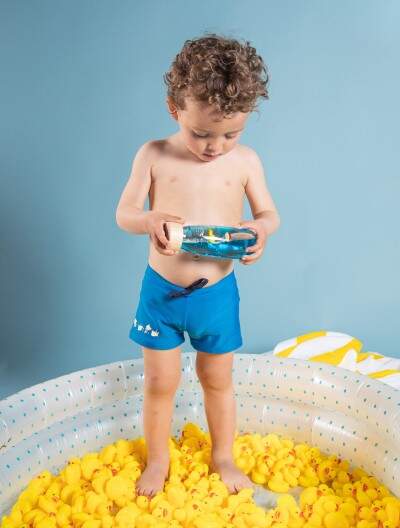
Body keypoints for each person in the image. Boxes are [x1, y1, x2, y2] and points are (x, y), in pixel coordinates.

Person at [115, 33, 280, 497]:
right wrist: (148, 220)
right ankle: (158, 460)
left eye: (230, 134)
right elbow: (124, 213)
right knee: (160, 382)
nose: (214, 147)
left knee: (218, 379)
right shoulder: (154, 155)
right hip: (162, 292)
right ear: (175, 109)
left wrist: (260, 231)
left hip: (216, 294)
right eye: (201, 134)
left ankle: (223, 456)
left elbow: (269, 214)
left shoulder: (244, 162)